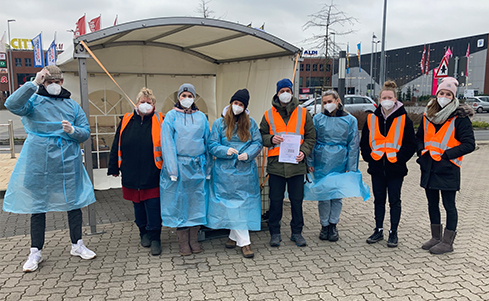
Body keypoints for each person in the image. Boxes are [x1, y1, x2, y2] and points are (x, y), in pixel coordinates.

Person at [3, 65, 96, 272]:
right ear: (43, 82)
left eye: (57, 81)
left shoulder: (72, 106)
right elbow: (12, 103)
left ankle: (77, 244)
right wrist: (33, 84)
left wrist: (73, 130)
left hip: (67, 161)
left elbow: (85, 132)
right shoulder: (33, 101)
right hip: (39, 161)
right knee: (38, 206)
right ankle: (35, 250)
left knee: (74, 203)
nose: (53, 85)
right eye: (48, 81)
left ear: (62, 82)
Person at [416, 77, 475, 254]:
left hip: (448, 168)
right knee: (432, 203)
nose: (444, 96)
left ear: (453, 97)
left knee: (449, 205)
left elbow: (469, 144)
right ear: (437, 94)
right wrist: (421, 152)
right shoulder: (428, 115)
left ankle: (447, 242)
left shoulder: (460, 118)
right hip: (429, 167)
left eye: (448, 94)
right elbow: (419, 138)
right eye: (442, 93)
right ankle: (435, 237)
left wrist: (446, 155)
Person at [305, 90, 370, 242]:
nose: (328, 105)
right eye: (325, 102)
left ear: (337, 100)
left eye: (330, 101)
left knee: (336, 195)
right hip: (322, 160)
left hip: (341, 161)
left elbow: (353, 145)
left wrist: (351, 166)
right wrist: (311, 162)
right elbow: (311, 140)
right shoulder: (318, 119)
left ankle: (333, 224)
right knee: (324, 195)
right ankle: (324, 225)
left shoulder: (350, 120)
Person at [259, 78, 316, 247]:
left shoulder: (303, 113)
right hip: (276, 166)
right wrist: (270, 138)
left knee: (297, 201)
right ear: (277, 93)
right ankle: (275, 233)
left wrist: (303, 152)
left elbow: (311, 137)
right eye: (282, 91)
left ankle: (297, 232)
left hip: (296, 165)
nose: (285, 94)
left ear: (292, 92)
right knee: (275, 201)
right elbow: (261, 136)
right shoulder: (268, 114)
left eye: (288, 91)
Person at [107, 88, 164, 256]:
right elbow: (116, 143)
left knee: (153, 206)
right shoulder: (126, 120)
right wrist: (114, 167)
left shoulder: (160, 120)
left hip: (153, 172)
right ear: (136, 103)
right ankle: (143, 233)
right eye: (142, 102)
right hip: (131, 172)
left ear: (154, 105)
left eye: (149, 102)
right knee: (137, 205)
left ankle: (155, 238)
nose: (145, 105)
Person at [207, 89, 263, 258]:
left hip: (245, 171)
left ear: (245, 107)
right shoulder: (219, 123)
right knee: (232, 205)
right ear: (231, 103)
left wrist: (249, 154)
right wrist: (226, 150)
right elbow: (212, 144)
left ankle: (234, 237)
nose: (237, 107)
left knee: (241, 206)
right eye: (236, 103)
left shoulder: (250, 123)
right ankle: (245, 243)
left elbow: (257, 142)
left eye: (241, 104)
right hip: (225, 173)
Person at [360, 81, 416, 248]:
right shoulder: (371, 118)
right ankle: (378, 229)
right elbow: (364, 143)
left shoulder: (404, 119)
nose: (387, 100)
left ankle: (393, 232)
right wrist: (369, 158)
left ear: (395, 99)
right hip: (377, 167)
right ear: (379, 99)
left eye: (389, 97)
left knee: (394, 200)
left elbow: (410, 144)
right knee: (379, 200)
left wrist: (399, 159)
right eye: (384, 97)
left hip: (395, 168)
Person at [160, 83, 212, 256]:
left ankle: (193, 239)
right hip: (179, 166)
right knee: (180, 204)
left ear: (194, 98)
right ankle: (183, 242)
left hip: (198, 165)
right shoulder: (171, 116)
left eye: (190, 96)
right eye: (184, 95)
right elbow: (167, 142)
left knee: (197, 202)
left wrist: (208, 168)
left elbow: (207, 142)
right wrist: (172, 169)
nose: (187, 99)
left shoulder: (201, 118)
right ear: (178, 97)